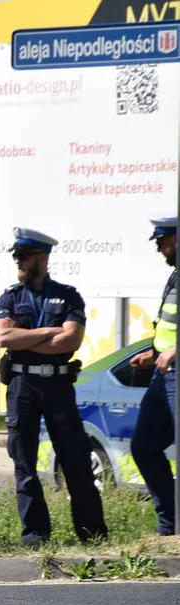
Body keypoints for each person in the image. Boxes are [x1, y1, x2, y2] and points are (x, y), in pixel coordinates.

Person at [0, 228, 108, 545]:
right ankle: (35, 533)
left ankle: (91, 533)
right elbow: (3, 338)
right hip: (21, 385)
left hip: (58, 384)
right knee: (24, 464)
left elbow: (70, 339)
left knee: (75, 460)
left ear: (41, 259)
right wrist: (49, 333)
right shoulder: (10, 297)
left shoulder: (69, 296)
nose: (17, 261)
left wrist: (27, 339)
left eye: (23, 256)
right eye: (16, 256)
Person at [130, 215, 178, 536]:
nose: (159, 249)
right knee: (144, 446)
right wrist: (154, 352)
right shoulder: (175, 276)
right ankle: (170, 522)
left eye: (162, 242)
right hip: (163, 377)